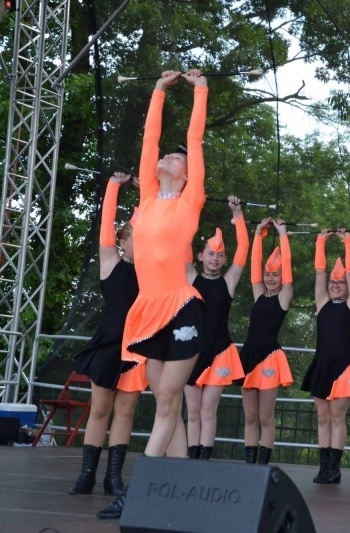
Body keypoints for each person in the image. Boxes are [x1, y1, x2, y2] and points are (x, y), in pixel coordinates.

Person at [97, 69, 208, 520]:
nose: (168, 158)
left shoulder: (189, 202)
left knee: (166, 400)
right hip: (149, 310)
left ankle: (138, 490)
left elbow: (195, 141)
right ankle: (183, 489)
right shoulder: (144, 201)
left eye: (176, 160)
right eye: (167, 156)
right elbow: (148, 140)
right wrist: (158, 92)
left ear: (186, 177)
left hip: (182, 308)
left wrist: (200, 90)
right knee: (169, 404)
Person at [70, 173, 143, 497]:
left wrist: (148, 195)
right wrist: (114, 187)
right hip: (109, 344)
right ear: (122, 241)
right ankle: (87, 475)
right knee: (100, 408)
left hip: (137, 348)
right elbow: (106, 223)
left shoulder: (152, 272)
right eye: (137, 238)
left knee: (125, 411)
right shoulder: (110, 261)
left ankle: (114, 477)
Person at [184, 197, 248, 460]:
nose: (215, 258)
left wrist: (237, 213)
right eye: (211, 253)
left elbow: (244, 247)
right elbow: (182, 240)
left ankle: (204, 458)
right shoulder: (190, 277)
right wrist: (188, 204)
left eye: (220, 255)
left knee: (209, 409)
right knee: (193, 411)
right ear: (200, 256)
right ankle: (191, 457)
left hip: (220, 350)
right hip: (191, 351)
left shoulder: (229, 281)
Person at [301, 229, 350, 484]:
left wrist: (348, 243)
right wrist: (320, 242)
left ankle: (334, 467)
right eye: (332, 283)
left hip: (344, 367)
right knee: (323, 417)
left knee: (338, 417)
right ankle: (323, 465)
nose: (336, 286)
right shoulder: (322, 303)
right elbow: (319, 273)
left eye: (340, 283)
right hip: (322, 364)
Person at [240, 218, 294, 465]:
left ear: (283, 276)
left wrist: (283, 235)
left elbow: (289, 270)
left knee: (265, 416)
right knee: (250, 416)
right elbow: (253, 267)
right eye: (268, 274)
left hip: (270, 358)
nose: (271, 278)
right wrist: (259, 235)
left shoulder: (283, 297)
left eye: (276, 274)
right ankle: (250, 462)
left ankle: (262, 463)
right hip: (249, 356)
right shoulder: (259, 294)